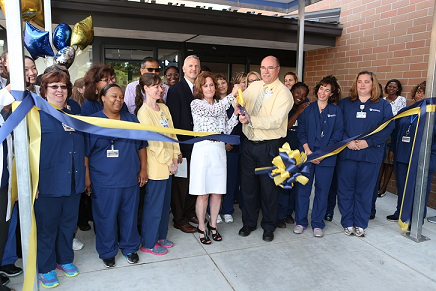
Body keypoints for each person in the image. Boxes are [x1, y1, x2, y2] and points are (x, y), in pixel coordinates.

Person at [85, 84, 146, 268]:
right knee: (105, 217)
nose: (118, 99)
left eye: (120, 96)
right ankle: (107, 251)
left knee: (129, 215)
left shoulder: (131, 119)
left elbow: (141, 146)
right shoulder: (92, 122)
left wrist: (143, 169)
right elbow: (85, 153)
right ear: (103, 98)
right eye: (113, 96)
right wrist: (87, 177)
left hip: (129, 178)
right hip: (103, 180)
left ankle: (129, 247)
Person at [35, 70, 85, 288]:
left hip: (73, 181)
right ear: (44, 90)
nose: (59, 90)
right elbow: (27, 152)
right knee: (47, 228)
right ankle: (45, 267)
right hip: (48, 182)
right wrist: (32, 183)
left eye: (63, 86)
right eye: (54, 86)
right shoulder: (35, 114)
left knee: (67, 225)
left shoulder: (74, 110)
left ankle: (64, 259)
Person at [238, 56, 293, 242]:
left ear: (278, 69)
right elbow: (240, 103)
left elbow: (276, 120)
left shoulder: (284, 93)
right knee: (248, 188)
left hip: (268, 148)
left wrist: (250, 120)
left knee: (269, 190)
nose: (266, 71)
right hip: (248, 145)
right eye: (263, 67)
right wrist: (237, 104)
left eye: (270, 68)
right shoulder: (254, 86)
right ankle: (249, 223)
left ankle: (269, 226)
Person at [336, 71, 394, 237]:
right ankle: (347, 221)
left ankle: (360, 223)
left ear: (372, 84)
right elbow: (338, 126)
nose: (362, 85)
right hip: (348, 155)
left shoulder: (382, 106)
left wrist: (369, 142)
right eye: (359, 81)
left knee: (365, 191)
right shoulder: (345, 104)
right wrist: (347, 141)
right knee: (346, 190)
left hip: (370, 156)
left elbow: (388, 127)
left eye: (366, 82)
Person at [190, 71, 240, 244]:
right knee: (203, 193)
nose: (210, 88)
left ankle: (213, 225)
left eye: (212, 85)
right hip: (203, 149)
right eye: (206, 85)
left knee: (217, 191)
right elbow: (212, 112)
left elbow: (226, 129)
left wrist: (236, 115)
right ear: (200, 88)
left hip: (218, 149)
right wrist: (231, 97)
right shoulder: (196, 104)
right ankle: (202, 227)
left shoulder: (220, 104)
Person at [294, 76, 344, 237]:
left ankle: (317, 223)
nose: (323, 92)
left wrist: (323, 154)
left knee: (322, 191)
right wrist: (309, 152)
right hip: (307, 155)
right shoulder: (307, 109)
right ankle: (301, 222)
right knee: (303, 190)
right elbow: (301, 132)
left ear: (331, 93)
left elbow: (338, 135)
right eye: (321, 88)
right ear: (317, 90)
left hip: (326, 158)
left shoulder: (336, 111)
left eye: (327, 90)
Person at [136, 73, 180, 255]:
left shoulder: (164, 108)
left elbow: (172, 133)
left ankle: (161, 236)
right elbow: (152, 143)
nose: (160, 89)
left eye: (160, 85)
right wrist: (169, 161)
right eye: (155, 86)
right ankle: (149, 242)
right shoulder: (143, 112)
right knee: (153, 207)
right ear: (145, 88)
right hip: (157, 167)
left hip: (170, 164)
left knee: (164, 206)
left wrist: (177, 155)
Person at [386, 81, 435, 222]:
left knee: (420, 189)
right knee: (402, 185)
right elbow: (395, 133)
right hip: (403, 155)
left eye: (424, 92)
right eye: (418, 91)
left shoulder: (433, 114)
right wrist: (392, 149)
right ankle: (400, 212)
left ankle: (417, 215)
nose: (420, 94)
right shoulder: (405, 111)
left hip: (423, 158)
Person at [166, 55, 201, 233]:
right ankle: (179, 219)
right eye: (190, 66)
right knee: (180, 184)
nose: (194, 69)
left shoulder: (200, 89)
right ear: (184, 69)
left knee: (193, 181)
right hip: (183, 146)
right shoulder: (176, 90)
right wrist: (176, 148)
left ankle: (189, 212)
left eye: (196, 66)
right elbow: (173, 123)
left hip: (199, 146)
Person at [277, 82, 310, 228]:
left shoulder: (306, 109)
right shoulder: (286, 106)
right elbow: (285, 128)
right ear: (292, 91)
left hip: (299, 152)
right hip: (285, 151)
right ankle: (279, 215)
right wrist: (298, 112)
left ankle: (288, 213)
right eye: (298, 93)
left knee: (295, 183)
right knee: (284, 184)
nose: (300, 97)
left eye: (303, 95)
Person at [215, 74, 240, 223]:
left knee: (231, 179)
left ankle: (228, 210)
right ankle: (215, 211)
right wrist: (223, 143)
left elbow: (239, 123)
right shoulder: (214, 103)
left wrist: (231, 142)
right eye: (217, 84)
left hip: (234, 146)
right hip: (218, 147)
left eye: (223, 82)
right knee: (217, 180)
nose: (221, 86)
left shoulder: (236, 101)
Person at [377, 79, 406, 197]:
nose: (391, 88)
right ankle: (377, 185)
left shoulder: (401, 100)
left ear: (398, 89)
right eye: (389, 86)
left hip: (393, 132)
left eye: (394, 87)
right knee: (380, 160)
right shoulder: (382, 100)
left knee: (389, 161)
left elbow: (398, 117)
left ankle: (384, 187)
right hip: (381, 132)